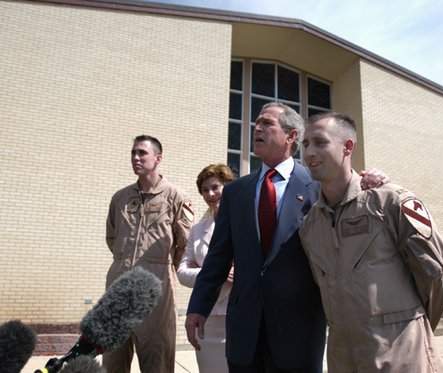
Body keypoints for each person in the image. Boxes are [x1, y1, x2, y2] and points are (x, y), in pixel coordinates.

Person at [185, 103, 388, 373]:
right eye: (256, 122)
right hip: (244, 331)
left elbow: (354, 204)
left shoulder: (319, 186)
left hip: (299, 331)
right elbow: (218, 257)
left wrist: (377, 182)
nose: (257, 127)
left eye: (267, 123)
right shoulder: (235, 193)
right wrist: (198, 306)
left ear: (291, 136)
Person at [299, 112, 443, 372]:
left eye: (320, 142)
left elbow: (442, 275)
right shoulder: (309, 226)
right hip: (343, 361)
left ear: (347, 146)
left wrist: (410, 328)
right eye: (305, 145)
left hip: (403, 360)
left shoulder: (389, 202)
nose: (309, 153)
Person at [103, 135, 194, 373]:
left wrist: (157, 268)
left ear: (158, 158)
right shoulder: (120, 198)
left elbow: (184, 243)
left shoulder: (176, 197)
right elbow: (112, 237)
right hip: (118, 288)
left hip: (157, 291)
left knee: (157, 361)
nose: (136, 158)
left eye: (142, 153)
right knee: (113, 359)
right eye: (133, 152)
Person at [177, 164, 236, 373]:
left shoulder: (245, 223)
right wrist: (215, 274)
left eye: (215, 187)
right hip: (206, 318)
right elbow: (182, 272)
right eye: (204, 190)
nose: (210, 194)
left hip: (238, 314)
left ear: (229, 186)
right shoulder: (197, 230)